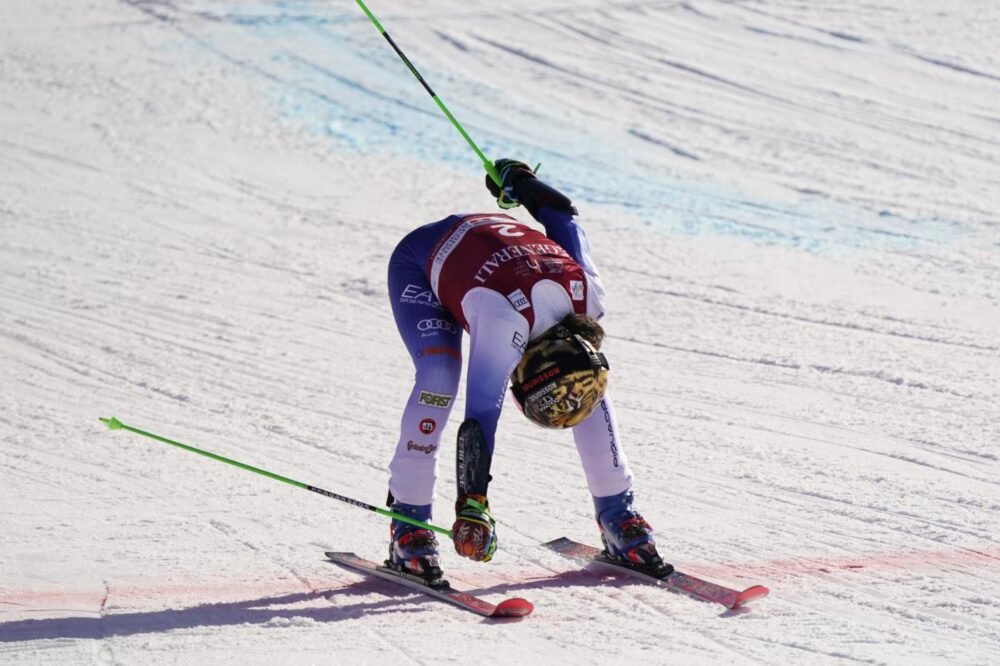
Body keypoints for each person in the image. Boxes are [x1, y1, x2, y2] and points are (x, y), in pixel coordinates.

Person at [384, 159, 665, 581]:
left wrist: (522, 182)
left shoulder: (588, 299)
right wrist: (473, 505)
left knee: (584, 386)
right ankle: (409, 526)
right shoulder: (503, 328)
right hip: (421, 263)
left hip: (489, 251)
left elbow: (562, 215)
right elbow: (480, 417)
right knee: (439, 378)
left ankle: (617, 514)